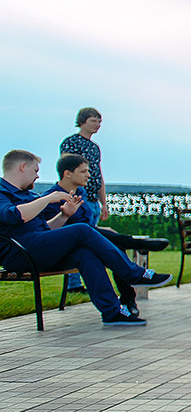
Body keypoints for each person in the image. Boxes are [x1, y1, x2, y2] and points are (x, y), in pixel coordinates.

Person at [0, 150, 171, 325]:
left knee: (85, 253)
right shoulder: (2, 192)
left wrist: (64, 216)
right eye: (35, 171)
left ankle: (112, 312)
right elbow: (13, 215)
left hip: (38, 250)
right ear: (22, 167)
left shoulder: (27, 195)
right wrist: (47, 199)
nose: (37, 176)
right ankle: (134, 274)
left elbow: (45, 229)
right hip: (19, 254)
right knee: (82, 229)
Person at [59, 107, 107, 292]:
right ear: (83, 121)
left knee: (93, 241)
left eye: (99, 122)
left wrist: (104, 203)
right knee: (78, 239)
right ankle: (74, 284)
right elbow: (66, 169)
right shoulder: (71, 142)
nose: (98, 125)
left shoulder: (95, 148)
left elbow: (98, 174)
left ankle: (89, 280)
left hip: (94, 199)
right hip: (79, 198)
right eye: (94, 121)